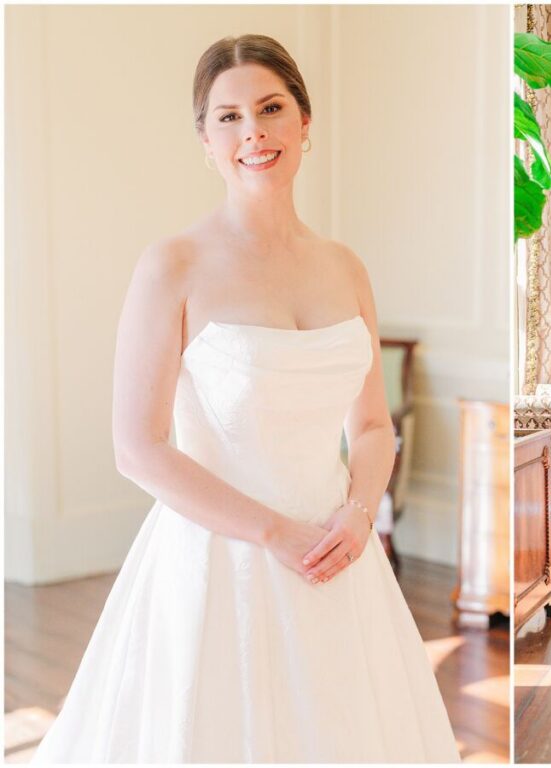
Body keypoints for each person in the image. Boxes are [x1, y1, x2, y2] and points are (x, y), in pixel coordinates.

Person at [32, 34, 460, 763]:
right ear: (205, 140)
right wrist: (273, 534)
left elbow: (370, 426)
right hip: (218, 560)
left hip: (338, 554)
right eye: (228, 117)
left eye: (270, 107)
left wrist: (358, 517)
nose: (253, 131)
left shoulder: (344, 266)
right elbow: (137, 447)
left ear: (304, 123)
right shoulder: (173, 264)